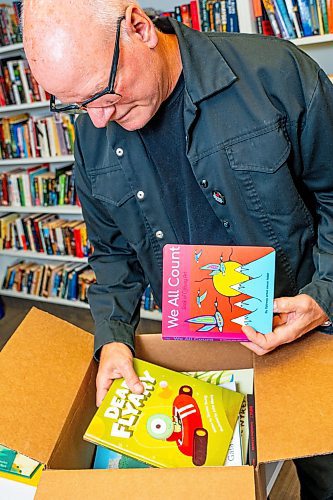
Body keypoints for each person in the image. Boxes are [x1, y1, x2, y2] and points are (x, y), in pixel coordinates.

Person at [23, 1, 333, 497]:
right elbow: (112, 253)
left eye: (102, 94)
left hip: (306, 330)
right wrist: (115, 338)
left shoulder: (276, 73)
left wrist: (325, 296)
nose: (99, 121)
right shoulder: (93, 132)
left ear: (140, 28)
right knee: (226, 479)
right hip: (200, 346)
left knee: (322, 466)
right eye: (77, 105)